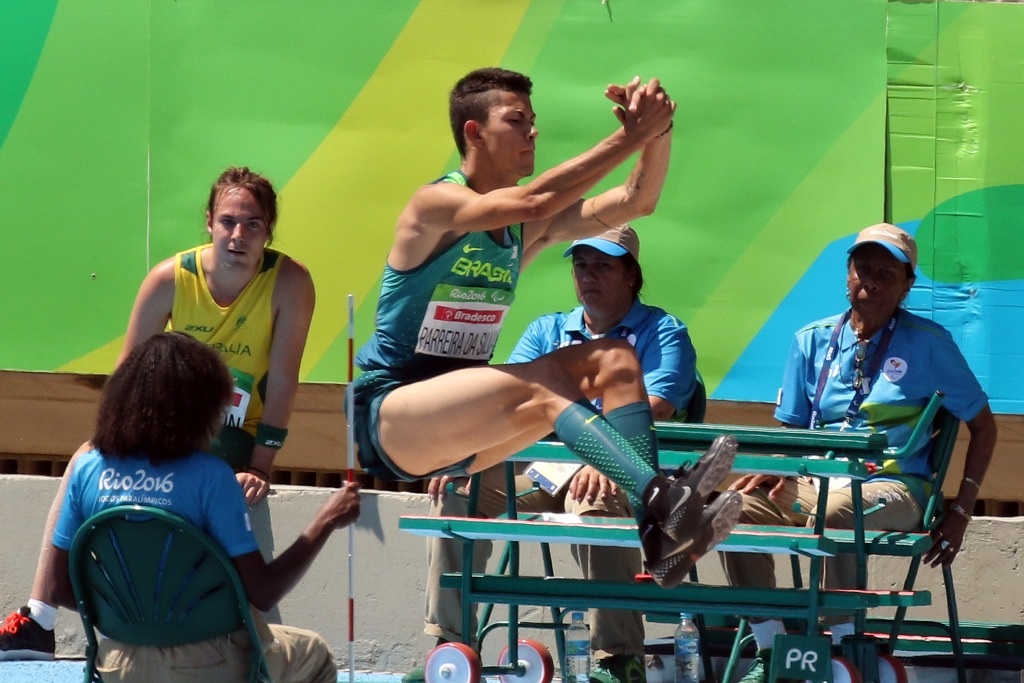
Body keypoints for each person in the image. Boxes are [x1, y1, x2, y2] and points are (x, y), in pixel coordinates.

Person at [348, 65, 741, 596]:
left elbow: (637, 202)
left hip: (466, 425)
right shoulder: (435, 204)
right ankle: (664, 500)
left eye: (534, 121)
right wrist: (630, 134)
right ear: (474, 132)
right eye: (517, 121)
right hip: (393, 417)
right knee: (546, 386)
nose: (533, 131)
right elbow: (536, 199)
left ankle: (659, 534)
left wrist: (659, 132)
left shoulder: (523, 230)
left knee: (617, 359)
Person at [0, 166, 316, 661]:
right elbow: (128, 381)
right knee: (86, 456)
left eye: (252, 224)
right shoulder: (169, 278)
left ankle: (237, 638)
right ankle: (40, 616)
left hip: (235, 439)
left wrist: (260, 466)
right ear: (209, 222)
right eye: (229, 221)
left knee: (238, 545)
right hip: (172, 434)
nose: (239, 235)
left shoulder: (291, 282)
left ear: (269, 231)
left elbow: (283, 379)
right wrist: (119, 445)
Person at [416, 225, 698, 683]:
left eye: (603, 265)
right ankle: (451, 649)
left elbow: (655, 410)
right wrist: (465, 457)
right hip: (542, 470)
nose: (589, 275)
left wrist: (598, 455)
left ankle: (617, 657)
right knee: (455, 491)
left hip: (626, 472)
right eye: (580, 264)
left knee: (598, 498)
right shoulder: (545, 330)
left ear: (632, 275)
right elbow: (507, 405)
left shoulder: (664, 332)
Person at [721, 224, 998, 683]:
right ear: (847, 274)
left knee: (836, 510)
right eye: (861, 268)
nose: (870, 280)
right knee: (731, 508)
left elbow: (984, 427)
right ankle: (770, 646)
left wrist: (962, 510)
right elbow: (790, 431)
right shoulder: (811, 339)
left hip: (895, 488)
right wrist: (774, 470)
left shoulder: (929, 343)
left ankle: (841, 645)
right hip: (812, 481)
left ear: (907, 284)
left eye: (885, 273)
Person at [42, 332, 360, 683]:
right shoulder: (211, 477)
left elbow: (58, 589)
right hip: (209, 664)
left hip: (119, 663)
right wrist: (325, 521)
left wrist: (131, 622)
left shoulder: (88, 469)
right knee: (312, 653)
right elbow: (264, 592)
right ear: (200, 406)